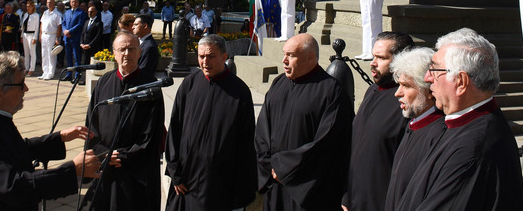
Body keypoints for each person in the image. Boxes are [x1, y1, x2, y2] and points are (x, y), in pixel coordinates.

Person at [0, 51, 110, 210]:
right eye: (20, 84)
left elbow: (17, 149)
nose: (26, 88)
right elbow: (15, 188)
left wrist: (60, 138)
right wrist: (73, 170)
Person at [396, 28, 523, 211]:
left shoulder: (473, 147)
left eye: (434, 69)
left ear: (461, 82)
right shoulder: (465, 124)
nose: (427, 78)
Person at [255, 33, 353, 210]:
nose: (284, 60)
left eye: (291, 55)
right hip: (275, 184)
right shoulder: (278, 84)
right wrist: (269, 165)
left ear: (310, 58)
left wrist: (284, 168)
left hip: (307, 191)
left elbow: (326, 143)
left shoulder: (331, 92)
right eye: (284, 54)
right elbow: (262, 131)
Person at [165, 35, 257, 211]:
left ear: (224, 57)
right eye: (201, 56)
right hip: (186, 182)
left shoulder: (240, 91)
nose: (205, 61)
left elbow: (245, 143)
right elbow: (175, 128)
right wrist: (174, 172)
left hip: (219, 185)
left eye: (211, 56)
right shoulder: (189, 84)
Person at [84, 31, 166, 210]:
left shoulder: (150, 87)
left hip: (135, 175)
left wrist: (120, 156)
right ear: (114, 53)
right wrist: (103, 153)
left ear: (140, 52)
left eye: (131, 49)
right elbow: (91, 124)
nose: (126, 54)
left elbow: (151, 136)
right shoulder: (104, 82)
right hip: (105, 169)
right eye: (122, 49)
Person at [343, 32, 415, 211]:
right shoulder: (372, 90)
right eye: (373, 56)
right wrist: (347, 196)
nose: (373, 63)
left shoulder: (408, 103)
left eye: (381, 58)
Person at [383, 46, 444, 211]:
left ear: (428, 89)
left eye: (406, 86)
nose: (397, 93)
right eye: (398, 85)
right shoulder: (414, 125)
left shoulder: (438, 133)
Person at [76, 5, 104, 83]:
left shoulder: (99, 23)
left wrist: (90, 45)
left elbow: (98, 36)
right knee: (85, 63)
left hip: (93, 47)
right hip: (85, 47)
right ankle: (84, 80)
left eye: (91, 12)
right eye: (88, 11)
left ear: (95, 12)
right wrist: (81, 43)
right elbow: (83, 33)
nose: (89, 13)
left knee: (92, 64)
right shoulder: (86, 22)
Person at [38, 0, 62, 81]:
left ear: (54, 3)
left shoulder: (57, 14)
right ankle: (45, 72)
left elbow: (59, 27)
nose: (49, 4)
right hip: (44, 35)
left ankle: (50, 73)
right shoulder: (45, 13)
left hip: (52, 35)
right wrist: (40, 34)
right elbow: (41, 24)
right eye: (48, 2)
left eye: (50, 2)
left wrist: (57, 38)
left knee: (51, 54)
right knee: (44, 54)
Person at [20, 0, 40, 77]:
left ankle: (32, 69)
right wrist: (22, 35)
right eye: (27, 6)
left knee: (32, 52)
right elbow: (23, 26)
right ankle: (26, 68)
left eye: (29, 6)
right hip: (25, 34)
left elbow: (37, 27)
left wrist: (35, 37)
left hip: (32, 34)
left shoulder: (36, 15)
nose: (28, 8)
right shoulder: (25, 14)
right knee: (26, 52)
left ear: (33, 7)